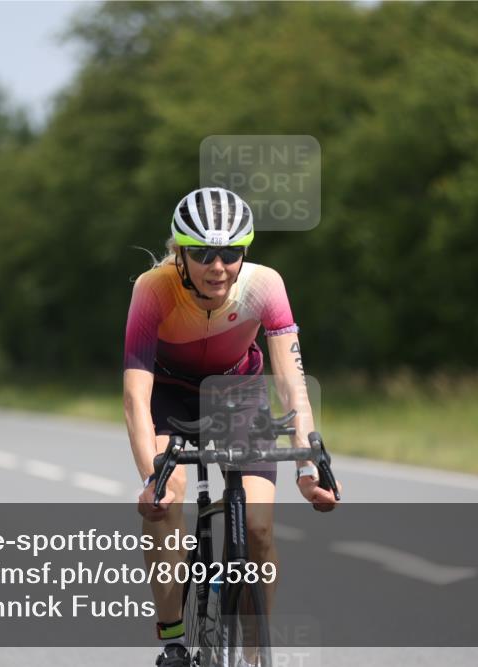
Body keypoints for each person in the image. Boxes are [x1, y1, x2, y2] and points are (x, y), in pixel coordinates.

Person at [123, 187, 341, 667]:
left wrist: (310, 467)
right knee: (165, 503)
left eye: (230, 252)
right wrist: (149, 479)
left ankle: (256, 653)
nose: (217, 265)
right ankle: (175, 638)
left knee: (260, 529)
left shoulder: (266, 285)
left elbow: (291, 387)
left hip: (239, 395)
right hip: (170, 396)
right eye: (202, 253)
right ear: (180, 254)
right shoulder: (152, 289)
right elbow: (136, 397)